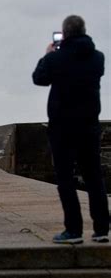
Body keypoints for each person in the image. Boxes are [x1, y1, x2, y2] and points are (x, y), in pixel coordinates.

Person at [32, 15, 109, 244]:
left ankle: (73, 231)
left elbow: (39, 79)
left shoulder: (56, 59)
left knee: (65, 179)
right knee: (94, 177)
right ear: (83, 31)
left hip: (63, 127)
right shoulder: (98, 58)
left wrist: (47, 55)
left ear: (64, 34)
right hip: (89, 125)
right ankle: (102, 229)